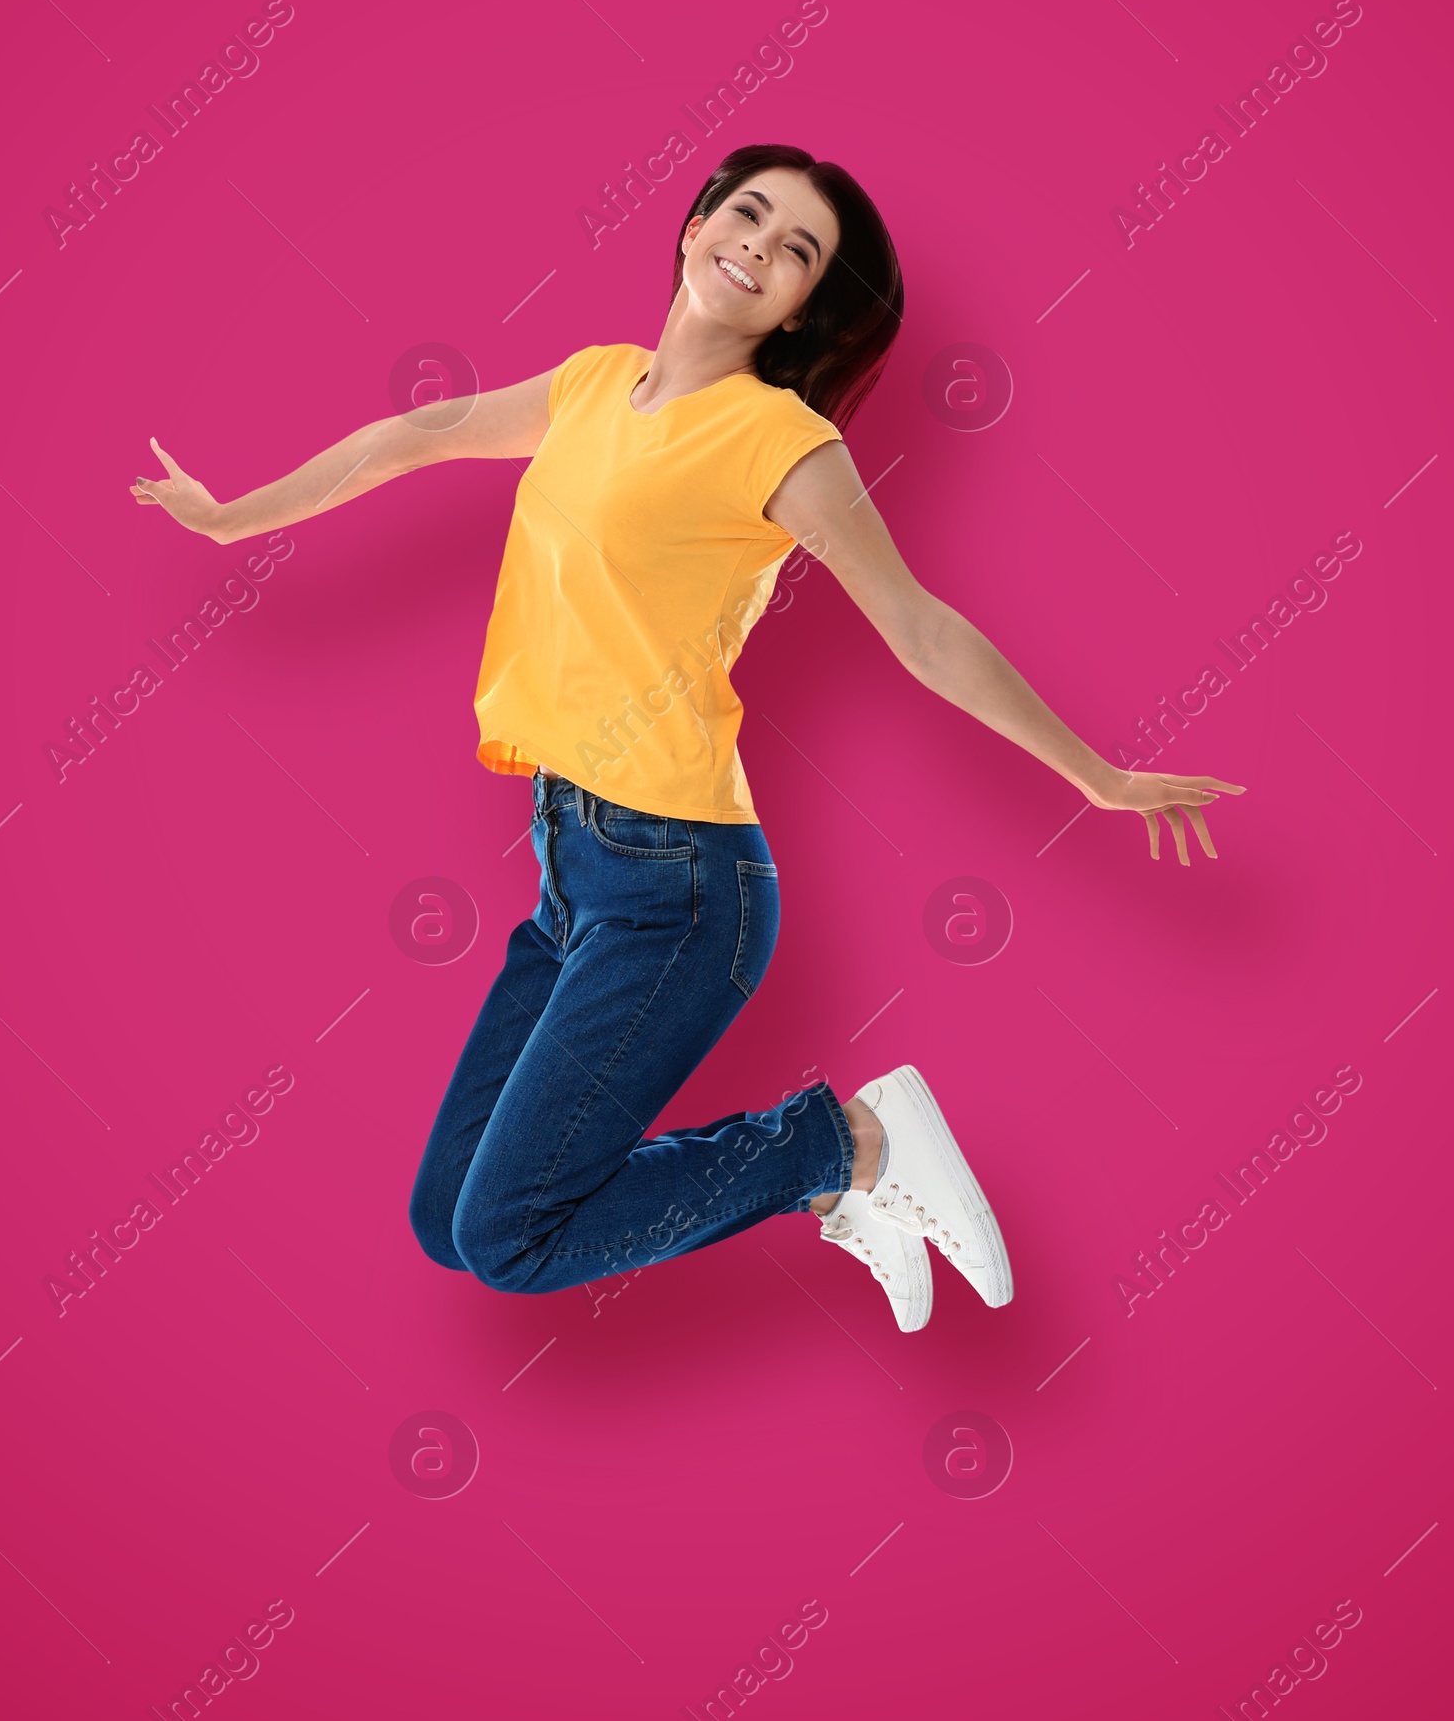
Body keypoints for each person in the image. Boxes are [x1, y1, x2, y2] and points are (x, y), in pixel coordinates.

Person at [130, 142, 1243, 1333]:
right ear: (696, 221)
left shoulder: (781, 443)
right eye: (748, 214)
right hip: (573, 872)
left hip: (680, 886)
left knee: (510, 1238)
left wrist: (1100, 776)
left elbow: (919, 626)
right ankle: (828, 1176)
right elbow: (411, 436)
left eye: (796, 250)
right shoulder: (592, 384)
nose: (758, 246)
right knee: (448, 1216)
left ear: (804, 303)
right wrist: (232, 519)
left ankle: (841, 1142)